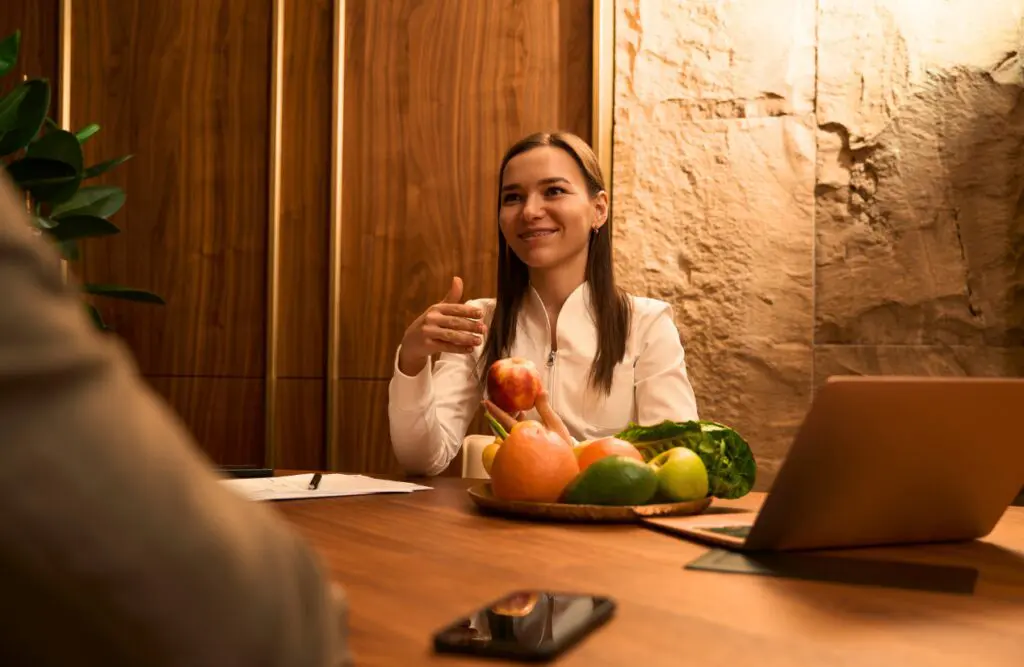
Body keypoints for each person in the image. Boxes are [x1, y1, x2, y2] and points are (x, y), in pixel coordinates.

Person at [0, 172, 352, 666]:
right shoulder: (467, 317)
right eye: (505, 198)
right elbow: (422, 450)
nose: (507, 212)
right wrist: (413, 362)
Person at [388, 131, 699, 476]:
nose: (531, 211)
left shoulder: (646, 324)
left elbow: (677, 462)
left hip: (610, 527)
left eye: (554, 191)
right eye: (513, 197)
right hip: (506, 526)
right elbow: (423, 459)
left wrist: (569, 453)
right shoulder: (481, 323)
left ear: (599, 209)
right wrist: (412, 358)